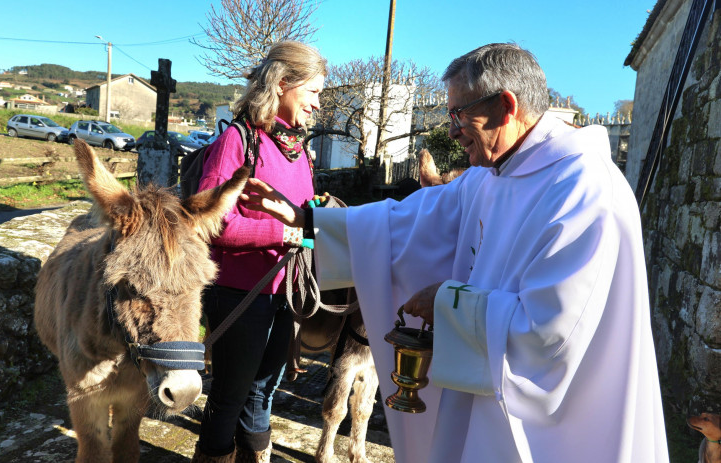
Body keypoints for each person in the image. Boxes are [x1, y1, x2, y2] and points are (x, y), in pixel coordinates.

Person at [240, 43, 670, 462]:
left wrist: (445, 302)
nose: (450, 130)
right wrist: (310, 220)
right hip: (481, 394)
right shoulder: (491, 174)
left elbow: (552, 333)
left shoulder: (583, 189)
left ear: (506, 105)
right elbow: (409, 220)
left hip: (552, 430)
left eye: (459, 113)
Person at [191, 40, 326, 463]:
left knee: (264, 393)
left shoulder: (298, 149)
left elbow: (302, 217)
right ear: (283, 83)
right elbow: (210, 222)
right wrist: (284, 234)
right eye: (314, 92)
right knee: (231, 398)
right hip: (238, 292)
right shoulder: (238, 140)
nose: (318, 105)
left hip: (284, 294)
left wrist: (313, 216)